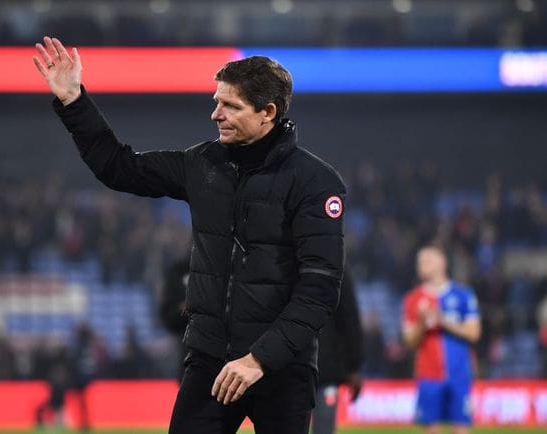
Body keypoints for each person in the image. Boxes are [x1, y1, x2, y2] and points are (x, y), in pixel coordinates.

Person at [33, 36, 346, 434]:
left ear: (267, 112)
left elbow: (319, 289)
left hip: (281, 367)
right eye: (216, 101)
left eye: (230, 105)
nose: (216, 114)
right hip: (210, 361)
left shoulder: (315, 182)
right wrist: (74, 101)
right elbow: (118, 166)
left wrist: (259, 360)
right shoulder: (202, 164)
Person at [402, 245, 482, 434]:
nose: (421, 265)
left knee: (461, 428)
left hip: (459, 373)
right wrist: (422, 322)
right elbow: (409, 341)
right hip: (428, 375)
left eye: (427, 261)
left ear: (442, 263)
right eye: (419, 262)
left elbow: (474, 333)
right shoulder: (413, 299)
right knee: (431, 429)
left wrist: (442, 320)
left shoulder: (463, 295)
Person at [312, 269, 363, 434]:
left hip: (323, 370)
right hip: (320, 369)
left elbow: (350, 319)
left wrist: (354, 366)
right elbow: (350, 318)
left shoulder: (338, 269)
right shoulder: (336, 266)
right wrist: (354, 367)